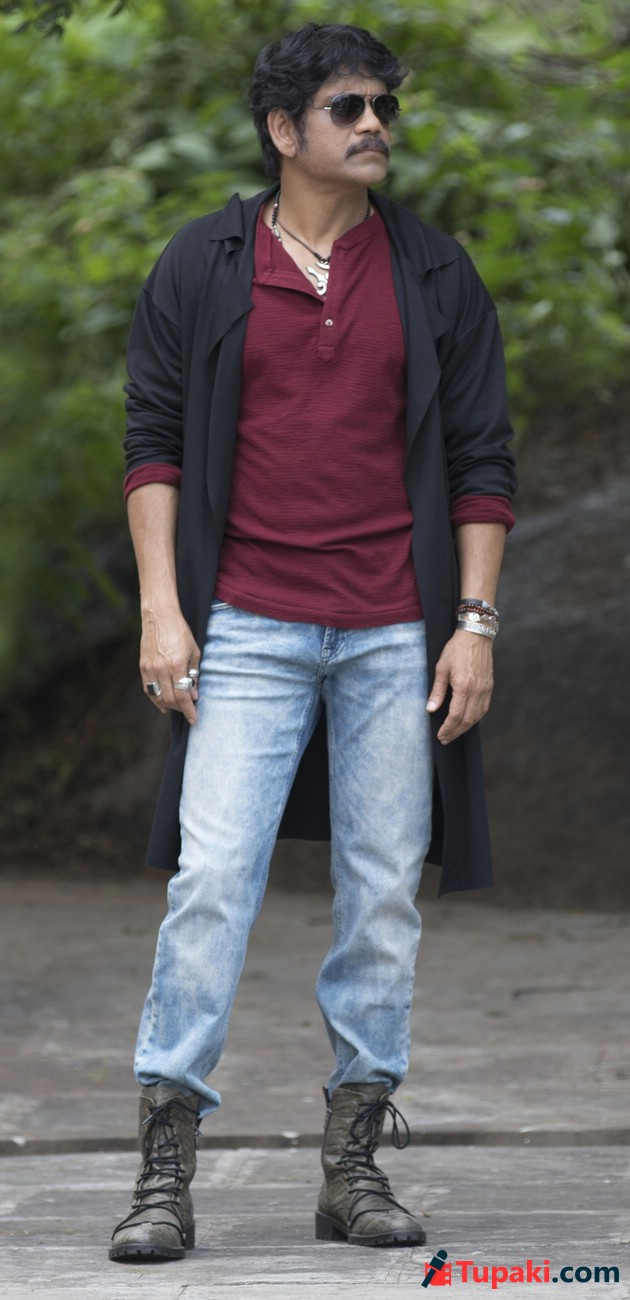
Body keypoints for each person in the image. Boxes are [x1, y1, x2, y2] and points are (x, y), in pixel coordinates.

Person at [108, 21, 516, 1264]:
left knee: (382, 894)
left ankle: (353, 1167)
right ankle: (165, 1170)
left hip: (396, 627)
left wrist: (474, 623)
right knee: (212, 881)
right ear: (284, 130)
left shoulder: (433, 272)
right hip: (246, 623)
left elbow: (482, 462)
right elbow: (154, 438)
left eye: (384, 104)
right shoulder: (207, 262)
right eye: (349, 107)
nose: (376, 124)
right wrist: (162, 607)